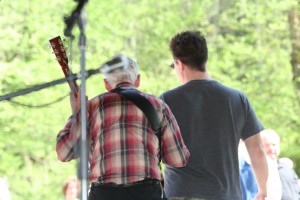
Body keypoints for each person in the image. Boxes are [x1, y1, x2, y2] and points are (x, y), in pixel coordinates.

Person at [56, 54, 190, 200]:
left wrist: (78, 113)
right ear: (137, 80)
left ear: (106, 84)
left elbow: (64, 153)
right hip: (146, 193)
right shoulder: (158, 106)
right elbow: (178, 159)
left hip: (104, 194)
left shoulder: (90, 108)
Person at [160, 30, 268, 200]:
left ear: (179, 64)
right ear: (204, 59)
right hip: (225, 194)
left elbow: (153, 150)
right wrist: (263, 189)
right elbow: (257, 149)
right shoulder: (237, 98)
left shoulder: (167, 100)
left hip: (180, 193)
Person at [261, 129, 300, 200]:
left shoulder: (286, 167)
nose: (271, 148)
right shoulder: (257, 170)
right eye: (266, 145)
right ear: (261, 147)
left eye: (273, 144)